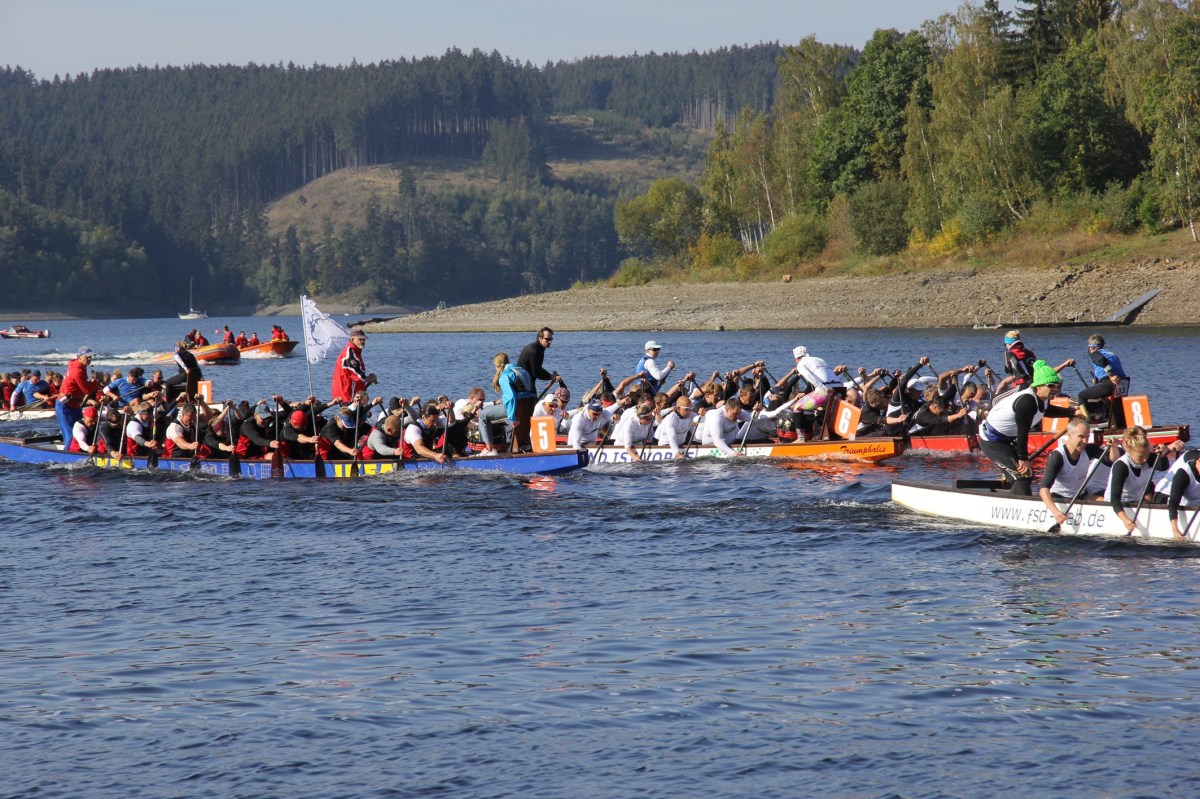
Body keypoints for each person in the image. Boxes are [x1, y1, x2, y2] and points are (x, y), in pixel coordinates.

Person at [978, 359, 1079, 495]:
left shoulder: (1042, 399)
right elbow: (1023, 433)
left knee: (1020, 476)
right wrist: (1023, 458)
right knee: (1024, 476)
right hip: (992, 440)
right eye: (1051, 385)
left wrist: (1071, 412)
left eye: (1057, 385)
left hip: (1007, 439)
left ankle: (1010, 500)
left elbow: (1046, 411)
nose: (1055, 389)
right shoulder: (1027, 401)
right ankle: (1018, 508)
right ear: (1038, 386)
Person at [1037, 418, 1118, 526]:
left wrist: (1113, 447)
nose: (1085, 441)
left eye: (1087, 437)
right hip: (1059, 497)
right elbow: (1043, 489)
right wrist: (1056, 513)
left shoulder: (1089, 449)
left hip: (1081, 495)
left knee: (1108, 502)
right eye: (1081, 437)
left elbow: (1112, 460)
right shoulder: (1058, 456)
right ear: (1069, 435)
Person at [1106, 426, 1183, 534]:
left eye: (1146, 455)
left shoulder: (1146, 457)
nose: (1145, 459)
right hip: (1117, 505)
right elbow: (1114, 499)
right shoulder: (1121, 466)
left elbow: (1163, 467)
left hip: (1136, 500)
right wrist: (1126, 521)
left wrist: (1163, 454)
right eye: (1141, 456)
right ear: (1130, 452)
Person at [1077, 334, 1130, 424]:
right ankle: (1110, 421)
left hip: (1109, 383)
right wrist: (1097, 379)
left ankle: (1087, 422)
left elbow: (1101, 360)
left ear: (1092, 347)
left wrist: (1111, 374)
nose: (1089, 350)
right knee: (1104, 398)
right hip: (1123, 383)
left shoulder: (1097, 353)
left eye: (1089, 347)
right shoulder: (1112, 354)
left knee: (1081, 396)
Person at [1154, 449, 1200, 541]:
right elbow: (1173, 502)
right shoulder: (1183, 473)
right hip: (1165, 495)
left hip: (1190, 497)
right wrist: (1175, 530)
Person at [55, 347, 95, 444]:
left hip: (75, 405)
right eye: (87, 357)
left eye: (91, 357)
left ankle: (80, 450)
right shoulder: (77, 371)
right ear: (79, 357)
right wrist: (95, 382)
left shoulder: (81, 367)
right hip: (65, 406)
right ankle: (67, 457)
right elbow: (87, 390)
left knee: (82, 431)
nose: (89, 359)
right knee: (71, 437)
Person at [331, 328, 376, 403]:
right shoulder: (349, 354)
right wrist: (370, 378)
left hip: (351, 394)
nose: (363, 341)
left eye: (364, 339)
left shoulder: (356, 352)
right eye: (360, 339)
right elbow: (359, 376)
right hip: (347, 395)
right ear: (352, 339)